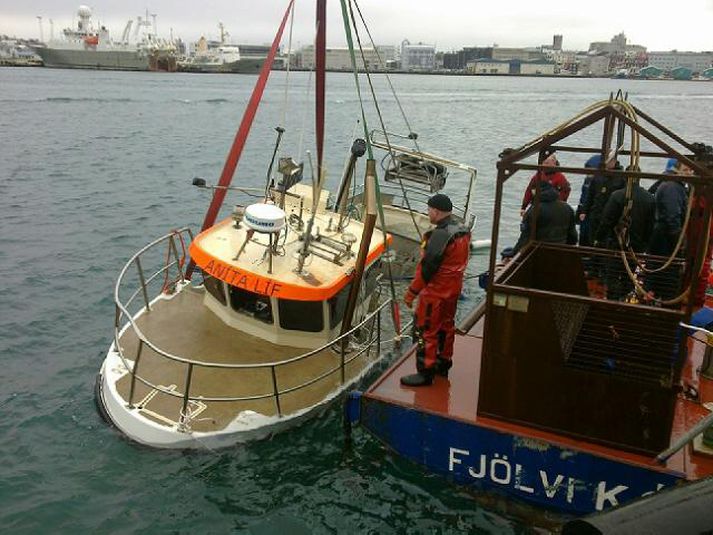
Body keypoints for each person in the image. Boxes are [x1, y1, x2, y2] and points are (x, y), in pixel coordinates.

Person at [401, 194, 471, 387]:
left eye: (429, 209)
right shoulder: (462, 230)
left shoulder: (440, 235)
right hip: (453, 289)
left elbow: (427, 268)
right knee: (446, 327)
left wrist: (411, 293)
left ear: (436, 211)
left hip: (436, 292)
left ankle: (425, 371)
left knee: (427, 330)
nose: (427, 212)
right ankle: (444, 363)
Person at [594, 176, 655, 300]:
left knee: (613, 275)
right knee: (629, 275)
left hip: (616, 244)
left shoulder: (617, 196)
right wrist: (645, 244)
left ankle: (613, 301)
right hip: (636, 246)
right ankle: (625, 299)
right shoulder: (649, 198)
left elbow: (606, 220)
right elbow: (650, 226)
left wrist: (598, 238)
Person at [647, 161, 691, 301]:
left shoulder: (672, 185)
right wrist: (679, 244)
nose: (690, 173)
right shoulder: (673, 187)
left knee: (658, 272)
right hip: (665, 240)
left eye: (691, 170)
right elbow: (671, 217)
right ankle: (664, 305)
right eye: (686, 169)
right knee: (668, 278)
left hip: (661, 237)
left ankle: (655, 296)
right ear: (677, 170)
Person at [511, 181, 578, 256]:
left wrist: (513, 253)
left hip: (539, 252)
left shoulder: (534, 210)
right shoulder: (567, 208)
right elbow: (573, 236)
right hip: (560, 250)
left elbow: (525, 237)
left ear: (535, 192)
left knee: (507, 251)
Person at [580, 157, 625, 246]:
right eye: (606, 160)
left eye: (610, 160)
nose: (607, 162)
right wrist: (584, 211)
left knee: (607, 240)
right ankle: (593, 255)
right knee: (592, 239)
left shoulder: (621, 178)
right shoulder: (598, 176)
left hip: (611, 216)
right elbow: (590, 195)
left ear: (615, 161)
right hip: (596, 213)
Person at [520, 150, 571, 217]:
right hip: (537, 206)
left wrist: (558, 207)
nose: (544, 165)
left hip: (553, 209)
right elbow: (529, 191)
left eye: (547, 163)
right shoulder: (538, 176)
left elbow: (565, 193)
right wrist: (523, 207)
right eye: (544, 163)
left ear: (554, 163)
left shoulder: (560, 178)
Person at [576, 155, 601, 247]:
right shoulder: (587, 180)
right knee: (583, 236)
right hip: (584, 213)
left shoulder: (596, 182)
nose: (587, 173)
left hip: (591, 214)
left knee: (588, 236)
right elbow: (583, 197)